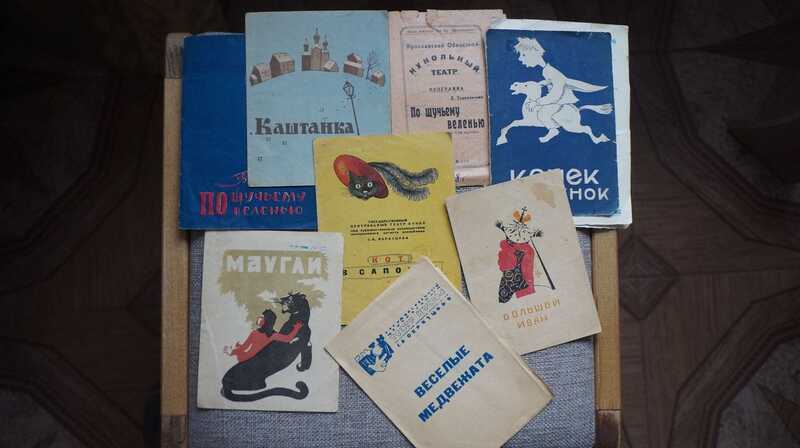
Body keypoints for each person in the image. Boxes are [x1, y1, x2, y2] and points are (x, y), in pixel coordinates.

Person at [224, 309, 302, 363]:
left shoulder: (257, 333)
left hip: (250, 358)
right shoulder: (271, 335)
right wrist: (296, 328)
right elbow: (288, 338)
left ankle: (232, 351)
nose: (258, 319)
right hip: (257, 360)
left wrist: (234, 350)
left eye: (261, 317)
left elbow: (244, 347)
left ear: (267, 320)